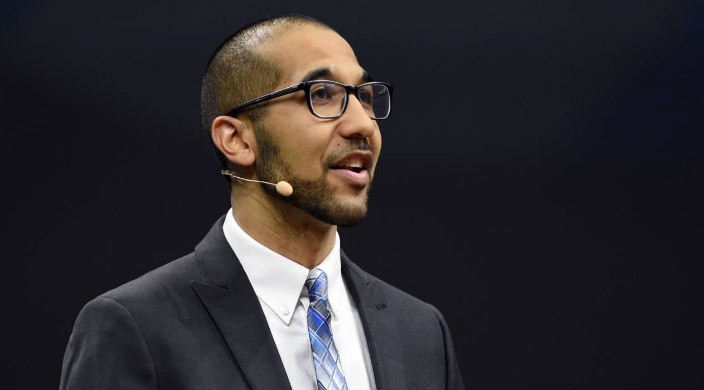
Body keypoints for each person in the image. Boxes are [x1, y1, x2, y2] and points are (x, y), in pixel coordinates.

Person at [59, 14, 465, 390]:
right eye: (321, 94)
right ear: (236, 140)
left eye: (364, 96)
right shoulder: (135, 327)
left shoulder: (422, 331)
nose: (362, 124)